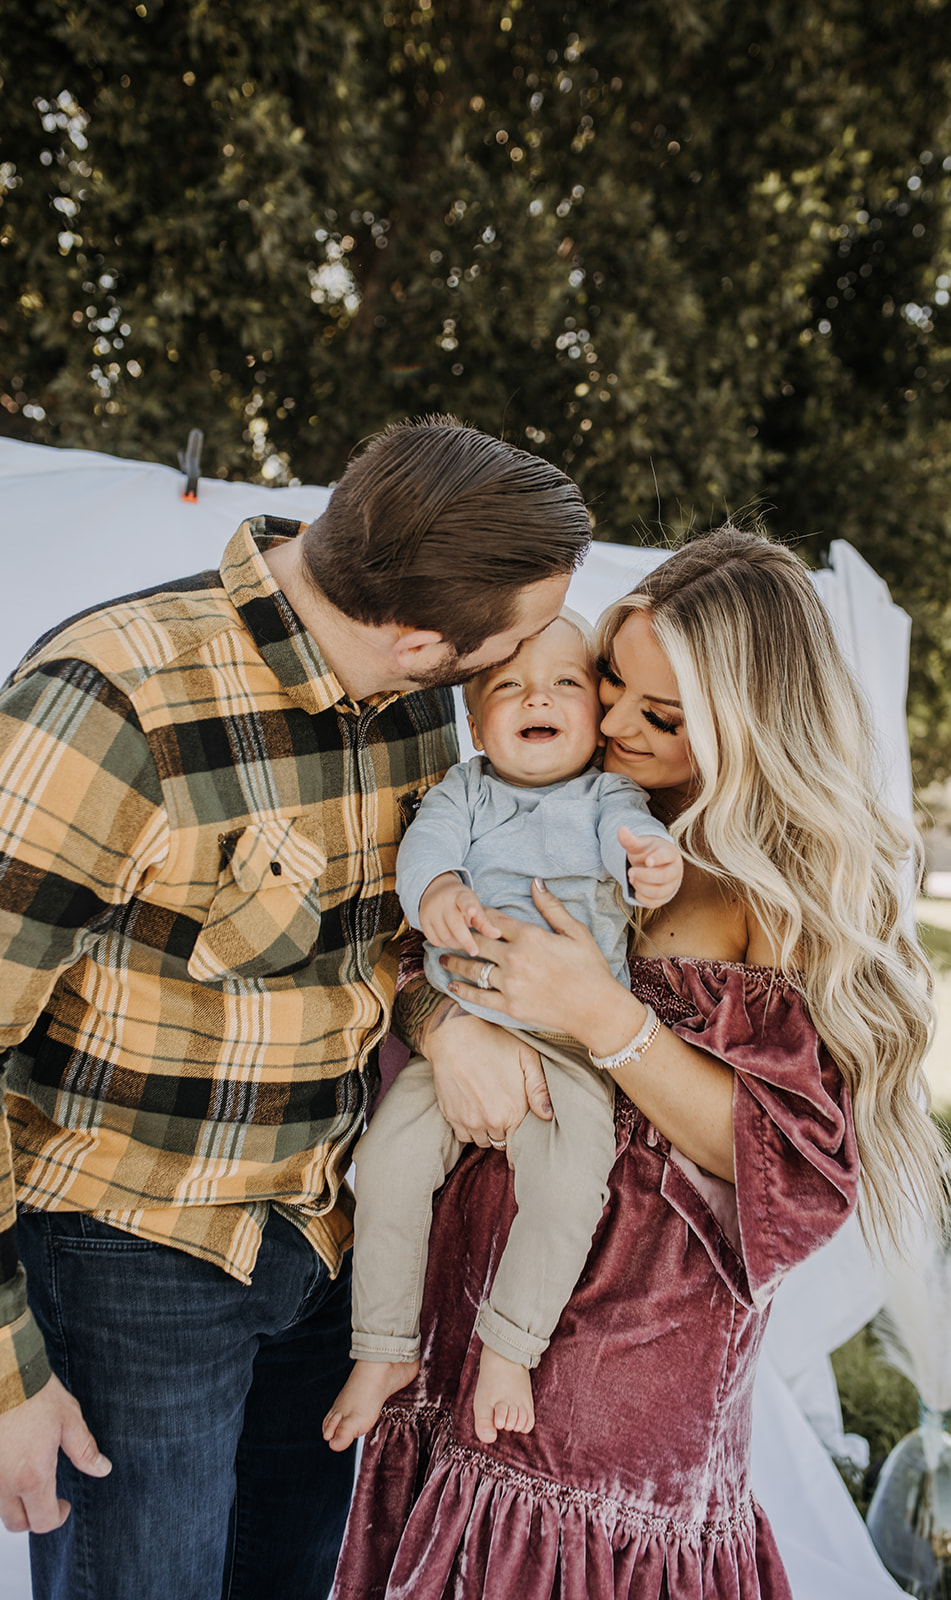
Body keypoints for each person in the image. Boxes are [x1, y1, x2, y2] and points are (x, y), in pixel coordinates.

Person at [0, 414, 591, 1600]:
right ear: (424, 643)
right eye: (512, 643)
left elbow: (379, 954)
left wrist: (447, 1021)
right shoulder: (107, 702)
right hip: (133, 1258)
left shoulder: (419, 707)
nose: (523, 669)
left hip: (325, 1244)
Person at [332, 522, 951, 1600]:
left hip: (624, 1354)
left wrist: (598, 1010)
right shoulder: (553, 804)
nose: (609, 722)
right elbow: (409, 952)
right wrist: (447, 1026)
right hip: (477, 1288)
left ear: (742, 727)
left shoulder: (770, 890)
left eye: (657, 716)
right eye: (607, 681)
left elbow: (791, 1166)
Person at [323, 611, 684, 1452]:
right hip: (465, 1023)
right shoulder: (465, 789)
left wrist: (651, 863)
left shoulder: (609, 794)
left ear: (594, 716)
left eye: (565, 682)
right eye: (507, 687)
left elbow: (634, 841)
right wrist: (440, 887)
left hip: (569, 1050)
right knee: (385, 1167)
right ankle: (382, 1346)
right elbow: (427, 851)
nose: (538, 697)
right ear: (475, 720)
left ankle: (509, 1346)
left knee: (567, 1189)